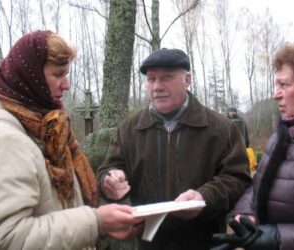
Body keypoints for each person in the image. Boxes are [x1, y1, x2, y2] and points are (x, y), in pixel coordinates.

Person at [0, 30, 142, 250]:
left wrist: (105, 195)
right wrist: (96, 222)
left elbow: (58, 205)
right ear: (30, 77)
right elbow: (9, 238)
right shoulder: (8, 140)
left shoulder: (49, 130)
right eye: (57, 75)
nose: (66, 85)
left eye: (66, 75)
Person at [97, 48, 252, 250]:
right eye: (151, 79)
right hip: (147, 245)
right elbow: (109, 169)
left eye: (166, 78)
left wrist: (204, 197)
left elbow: (238, 179)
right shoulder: (128, 130)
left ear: (187, 80)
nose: (157, 87)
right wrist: (109, 179)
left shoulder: (221, 129)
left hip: (205, 243)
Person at [211, 41, 294, 250]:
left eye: (284, 85)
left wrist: (280, 238)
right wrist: (246, 218)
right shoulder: (282, 136)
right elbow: (257, 189)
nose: (275, 94)